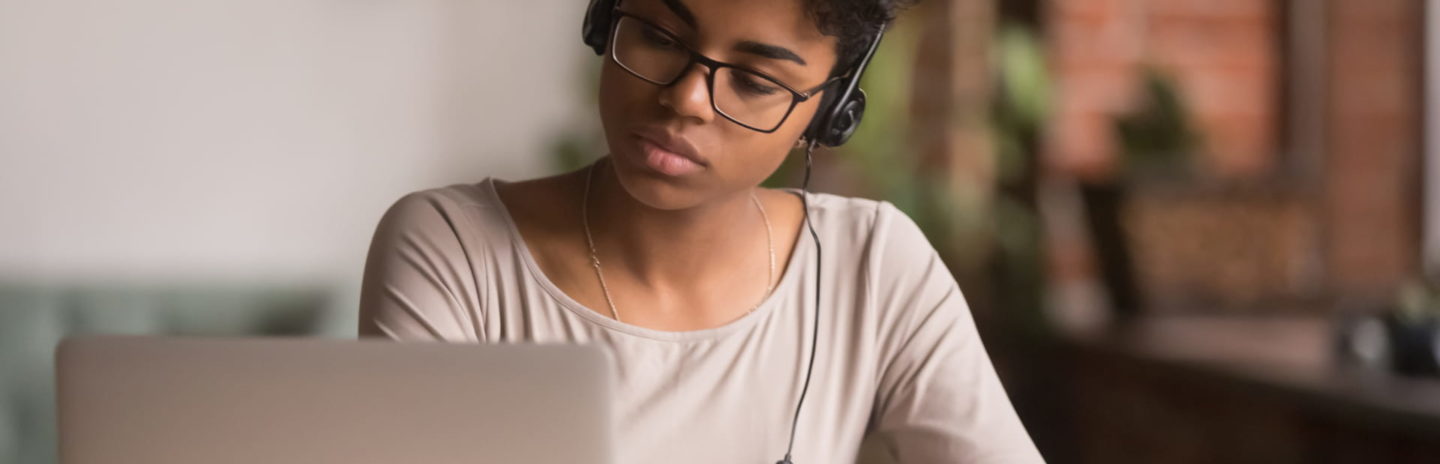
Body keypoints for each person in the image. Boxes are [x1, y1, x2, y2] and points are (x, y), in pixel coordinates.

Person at [358, 0, 1043, 462]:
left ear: (829, 113)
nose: (684, 100)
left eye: (751, 79)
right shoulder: (451, 248)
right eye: (658, 37)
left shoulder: (873, 267)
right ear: (604, 20)